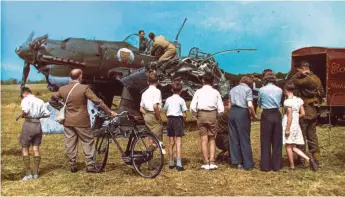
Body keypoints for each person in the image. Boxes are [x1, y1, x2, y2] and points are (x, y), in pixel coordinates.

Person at [49, 69, 116, 173]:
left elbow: (51, 100)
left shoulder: (62, 89)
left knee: (70, 142)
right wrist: (109, 111)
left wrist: (62, 108)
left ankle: (72, 165)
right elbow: (97, 101)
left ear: (70, 76)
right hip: (82, 121)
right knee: (87, 141)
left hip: (68, 120)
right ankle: (90, 165)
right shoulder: (84, 88)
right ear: (80, 76)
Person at [290, 61, 325, 165]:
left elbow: (293, 82)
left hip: (304, 110)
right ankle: (316, 158)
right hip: (312, 109)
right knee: (312, 135)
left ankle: (301, 159)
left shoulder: (307, 79)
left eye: (298, 70)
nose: (297, 72)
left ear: (304, 68)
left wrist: (299, 74)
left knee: (301, 134)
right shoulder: (316, 78)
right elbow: (322, 92)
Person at [190, 72, 224, 170]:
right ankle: (212, 161)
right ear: (213, 81)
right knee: (212, 139)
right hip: (213, 114)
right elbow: (221, 109)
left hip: (201, 114)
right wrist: (217, 115)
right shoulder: (216, 92)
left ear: (203, 80)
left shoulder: (198, 92)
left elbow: (192, 107)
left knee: (203, 139)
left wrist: (196, 115)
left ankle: (205, 162)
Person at [15, 87, 50, 181]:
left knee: (25, 147)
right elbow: (47, 114)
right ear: (30, 92)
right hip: (38, 124)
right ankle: (36, 173)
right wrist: (37, 115)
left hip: (29, 124)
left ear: (24, 94)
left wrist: (20, 115)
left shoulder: (25, 100)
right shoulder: (40, 100)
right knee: (36, 148)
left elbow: (25, 111)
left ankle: (28, 174)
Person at [282, 82, 318, 171]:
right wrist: (296, 116)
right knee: (293, 146)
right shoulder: (298, 100)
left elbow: (289, 115)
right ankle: (309, 159)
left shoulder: (287, 101)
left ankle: (292, 166)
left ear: (286, 90)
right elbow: (303, 113)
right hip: (296, 124)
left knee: (288, 146)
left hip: (289, 124)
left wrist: (287, 128)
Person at [228, 76, 259, 170]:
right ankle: (248, 163)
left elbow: (229, 105)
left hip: (232, 112)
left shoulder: (232, 90)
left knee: (234, 138)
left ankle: (237, 162)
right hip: (242, 112)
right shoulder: (248, 89)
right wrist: (254, 115)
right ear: (249, 83)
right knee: (244, 138)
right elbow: (250, 104)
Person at [258, 70, 283, 172]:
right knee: (277, 141)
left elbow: (259, 103)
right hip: (276, 114)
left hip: (266, 114)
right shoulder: (279, 90)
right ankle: (277, 165)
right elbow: (280, 102)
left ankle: (266, 166)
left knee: (265, 140)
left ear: (265, 79)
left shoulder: (262, 90)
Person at [139, 72, 164, 169]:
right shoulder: (157, 91)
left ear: (147, 82)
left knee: (149, 139)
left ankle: (150, 163)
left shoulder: (144, 93)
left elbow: (141, 108)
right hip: (153, 115)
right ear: (157, 81)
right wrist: (158, 117)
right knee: (158, 141)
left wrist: (146, 115)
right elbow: (155, 106)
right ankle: (144, 155)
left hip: (146, 116)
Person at [163, 81, 187, 171]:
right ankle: (179, 164)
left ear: (172, 90)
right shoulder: (181, 100)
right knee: (178, 142)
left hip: (170, 119)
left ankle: (171, 162)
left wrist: (168, 117)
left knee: (171, 142)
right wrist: (184, 121)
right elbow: (184, 114)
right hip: (178, 120)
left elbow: (165, 110)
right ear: (181, 91)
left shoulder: (168, 99)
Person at [215, 95, 231, 164]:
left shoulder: (219, 111)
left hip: (218, 137)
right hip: (225, 139)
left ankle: (223, 155)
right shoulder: (227, 112)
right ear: (228, 102)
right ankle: (224, 156)